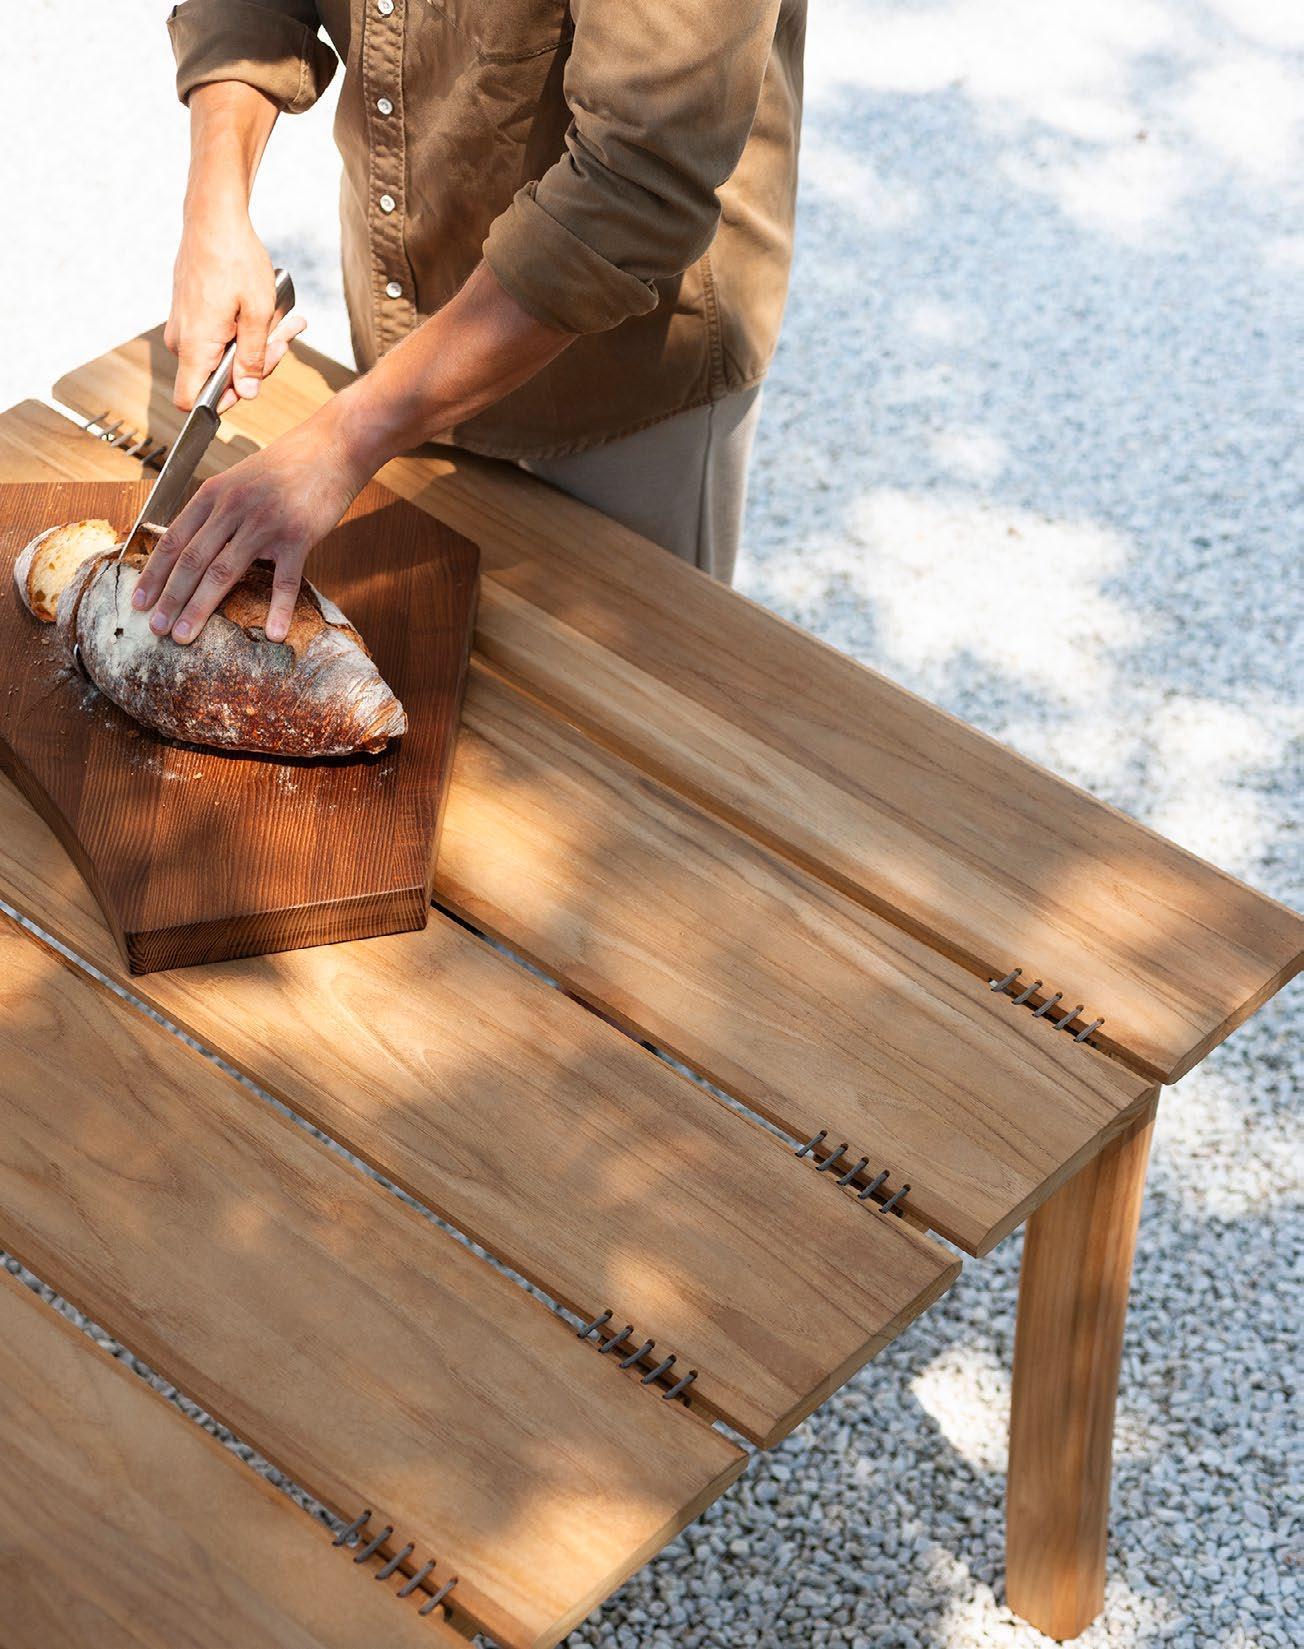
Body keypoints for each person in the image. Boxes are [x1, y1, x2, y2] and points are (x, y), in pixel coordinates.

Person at [136, 0, 805, 644]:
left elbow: (638, 181)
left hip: (628, 369)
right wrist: (214, 210)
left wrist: (340, 443)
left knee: (633, 682)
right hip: (403, 336)